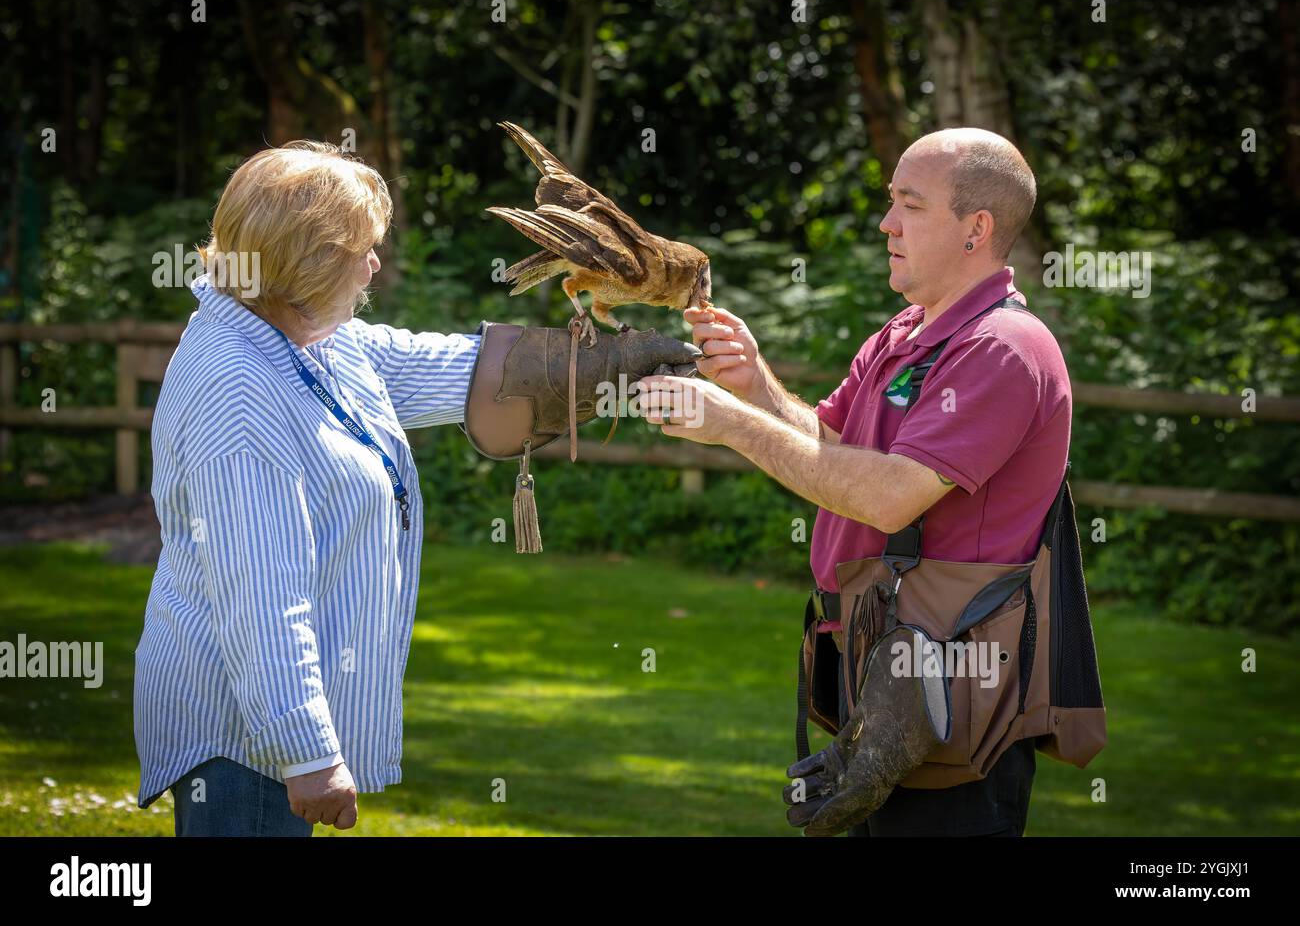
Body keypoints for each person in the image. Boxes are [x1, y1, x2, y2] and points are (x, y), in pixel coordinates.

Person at [134, 140, 698, 836]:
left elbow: (429, 366)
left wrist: (596, 365)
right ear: (307, 258)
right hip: (242, 739)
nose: (375, 264)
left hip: (258, 733)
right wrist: (305, 754)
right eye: (362, 249)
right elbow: (260, 595)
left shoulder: (301, 336)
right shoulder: (241, 390)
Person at [639, 127, 1070, 836]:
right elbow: (836, 445)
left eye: (911, 204)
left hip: (951, 695)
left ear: (976, 229)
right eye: (890, 202)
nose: (886, 223)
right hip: (881, 674)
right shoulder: (907, 333)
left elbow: (890, 493)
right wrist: (756, 388)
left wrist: (733, 426)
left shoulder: (1004, 349)